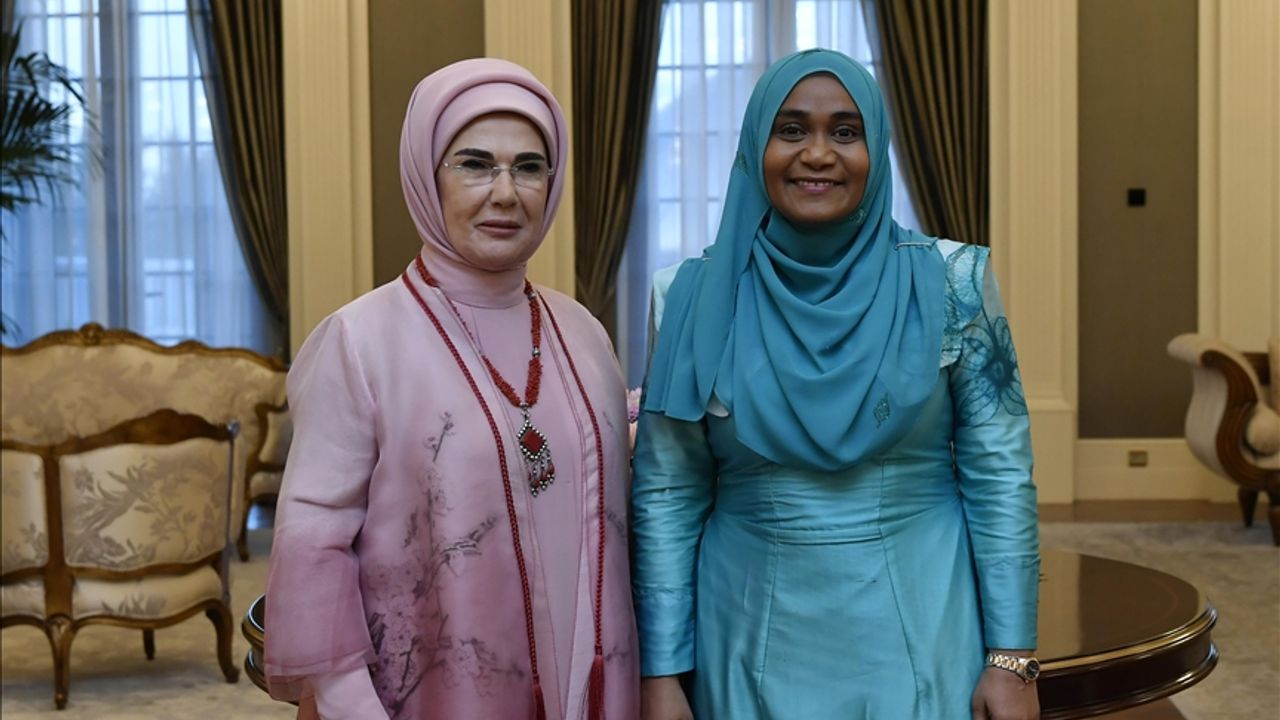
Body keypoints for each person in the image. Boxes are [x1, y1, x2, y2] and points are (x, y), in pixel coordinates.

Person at [631, 49, 1041, 720]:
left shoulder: (952, 284)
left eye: (846, 132)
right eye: (790, 129)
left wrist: (1012, 660)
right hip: (747, 632)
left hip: (924, 625)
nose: (817, 154)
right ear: (754, 145)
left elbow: (1000, 476)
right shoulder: (687, 297)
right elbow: (668, 493)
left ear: (876, 147)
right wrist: (661, 671)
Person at [264, 58, 640, 720]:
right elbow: (313, 543)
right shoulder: (360, 340)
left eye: (529, 167)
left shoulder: (583, 333)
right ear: (425, 175)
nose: (506, 193)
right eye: (475, 164)